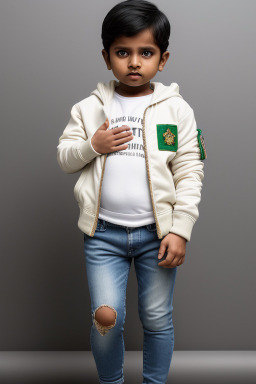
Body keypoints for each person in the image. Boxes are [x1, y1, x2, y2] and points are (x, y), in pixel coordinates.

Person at [57, 1, 207, 383]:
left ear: (163, 58)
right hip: (103, 234)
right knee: (107, 318)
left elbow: (190, 170)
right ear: (107, 58)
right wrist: (94, 145)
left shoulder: (177, 110)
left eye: (146, 53)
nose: (134, 62)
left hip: (156, 236)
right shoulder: (88, 108)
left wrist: (181, 228)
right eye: (123, 52)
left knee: (157, 317)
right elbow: (65, 158)